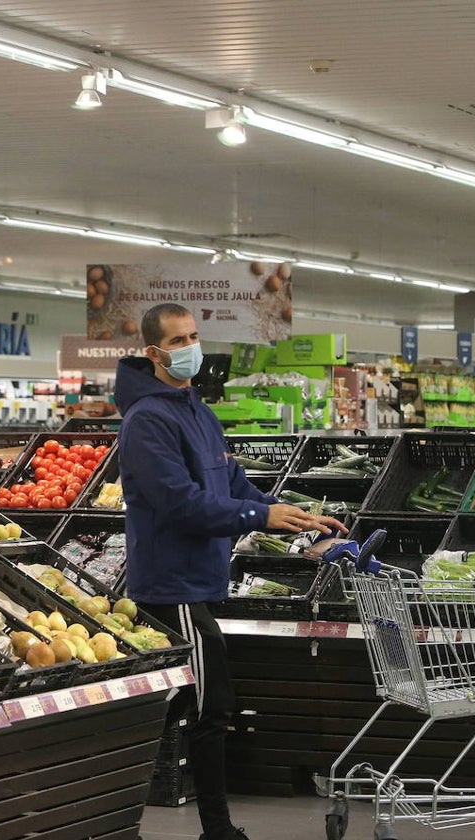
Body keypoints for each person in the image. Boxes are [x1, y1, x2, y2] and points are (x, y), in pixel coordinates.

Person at [113, 303, 345, 840]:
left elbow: (229, 482)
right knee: (210, 707)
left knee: (189, 706)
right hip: (172, 587)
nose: (191, 347)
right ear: (154, 353)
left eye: (195, 335)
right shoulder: (147, 419)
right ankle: (217, 830)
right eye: (179, 340)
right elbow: (182, 505)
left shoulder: (196, 408)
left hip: (200, 581)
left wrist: (294, 517)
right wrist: (260, 515)